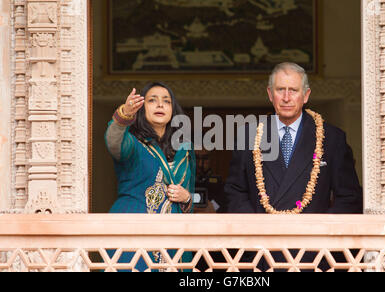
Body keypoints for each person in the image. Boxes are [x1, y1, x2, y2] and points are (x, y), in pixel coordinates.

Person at [224, 62, 362, 271]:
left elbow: (349, 197)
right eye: (280, 90)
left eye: (293, 90)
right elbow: (234, 192)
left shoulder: (332, 138)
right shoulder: (249, 135)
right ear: (270, 94)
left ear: (305, 95)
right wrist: (256, 226)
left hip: (313, 255)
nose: (286, 97)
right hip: (261, 255)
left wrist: (320, 231)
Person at [105, 82, 195, 272]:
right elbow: (113, 142)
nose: (160, 105)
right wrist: (124, 115)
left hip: (174, 239)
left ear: (173, 110)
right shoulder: (132, 143)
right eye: (152, 100)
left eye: (166, 101)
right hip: (132, 231)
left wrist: (187, 198)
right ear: (141, 108)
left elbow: (192, 195)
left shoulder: (184, 150)